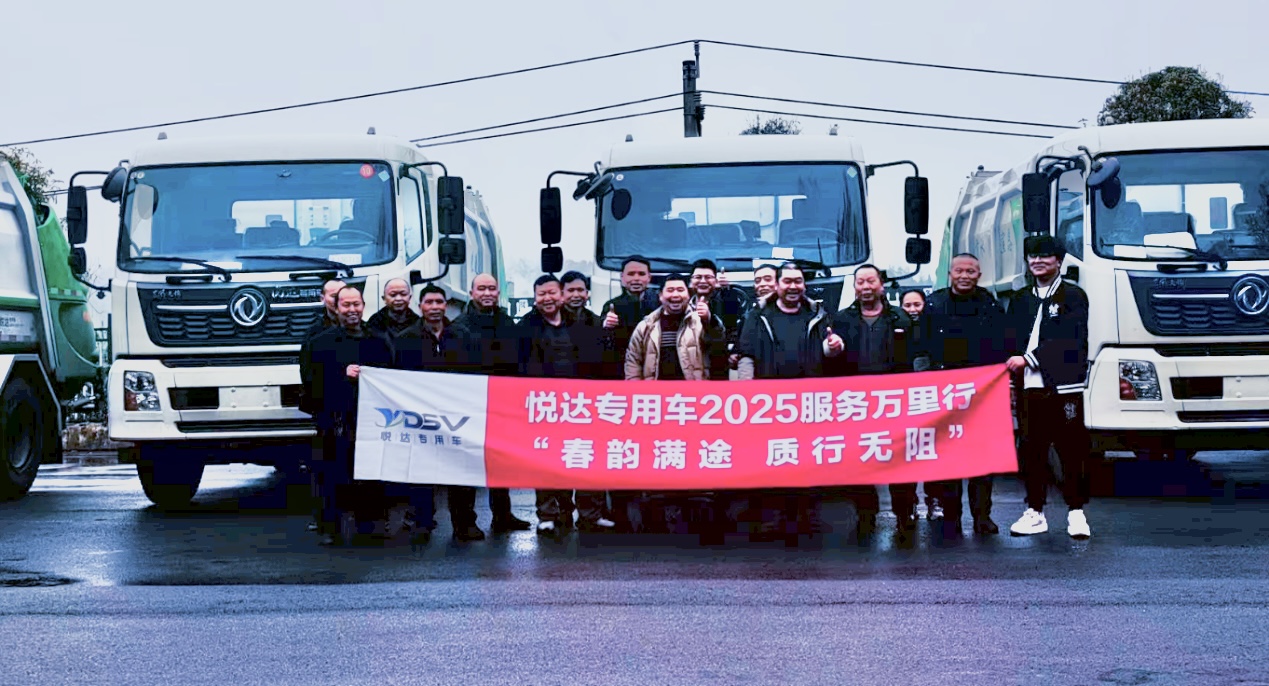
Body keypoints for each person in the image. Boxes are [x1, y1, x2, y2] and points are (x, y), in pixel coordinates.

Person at [624, 273, 729, 538]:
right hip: (657, 407)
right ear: (660, 296)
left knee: (694, 456)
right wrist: (637, 398)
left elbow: (719, 354)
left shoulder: (702, 321)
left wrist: (711, 322)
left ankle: (698, 514)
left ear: (688, 293)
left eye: (680, 290)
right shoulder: (646, 326)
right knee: (662, 455)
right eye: (669, 290)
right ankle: (658, 515)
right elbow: (633, 363)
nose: (675, 295)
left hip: (694, 407)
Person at [1006, 235, 1093, 539]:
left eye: (1045, 256)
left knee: (1071, 448)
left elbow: (1070, 338)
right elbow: (1009, 339)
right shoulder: (1020, 299)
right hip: (1028, 388)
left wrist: (1029, 359)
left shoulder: (1074, 296)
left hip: (1065, 387)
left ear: (1058, 261)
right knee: (1032, 449)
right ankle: (1035, 511)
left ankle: (1077, 512)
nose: (1037, 261)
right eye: (1032, 256)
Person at [737, 262, 832, 541]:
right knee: (771, 461)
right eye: (787, 281)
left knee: (806, 462)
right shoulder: (758, 315)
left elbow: (828, 352)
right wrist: (746, 395)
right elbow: (746, 355)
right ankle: (771, 518)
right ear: (777, 285)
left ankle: (805, 518)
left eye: (798, 281)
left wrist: (833, 349)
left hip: (808, 405)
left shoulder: (817, 314)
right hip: (768, 406)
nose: (793, 287)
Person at [823, 265, 920, 538]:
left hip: (895, 401)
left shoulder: (900, 318)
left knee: (901, 459)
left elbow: (916, 357)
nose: (866, 287)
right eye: (860, 282)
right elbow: (830, 362)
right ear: (855, 287)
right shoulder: (841, 319)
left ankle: (904, 513)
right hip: (856, 402)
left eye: (871, 281)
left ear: (881, 285)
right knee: (861, 459)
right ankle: (866, 513)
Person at [918, 253, 1010, 536]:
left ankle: (983, 516)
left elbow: (1003, 346)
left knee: (982, 457)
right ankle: (952, 516)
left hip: (982, 392)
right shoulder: (934, 304)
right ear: (950, 274)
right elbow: (921, 346)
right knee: (949, 456)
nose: (964, 276)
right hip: (944, 391)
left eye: (971, 271)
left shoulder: (990, 305)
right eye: (959, 271)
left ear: (979, 275)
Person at [517, 274, 614, 535]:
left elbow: (599, 361)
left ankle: (590, 514)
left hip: (582, 405)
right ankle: (550, 514)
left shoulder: (583, 324)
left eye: (552, 293)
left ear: (561, 295)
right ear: (535, 298)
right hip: (545, 406)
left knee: (586, 458)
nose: (547, 298)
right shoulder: (526, 326)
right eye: (541, 294)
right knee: (547, 462)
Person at [299, 286, 394, 546]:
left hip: (371, 420)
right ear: (336, 307)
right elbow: (309, 381)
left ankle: (369, 526)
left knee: (370, 476)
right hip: (334, 421)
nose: (352, 310)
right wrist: (342, 374)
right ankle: (331, 529)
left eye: (356, 304)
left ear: (364, 306)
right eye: (346, 305)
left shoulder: (378, 340)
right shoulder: (320, 342)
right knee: (332, 477)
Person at [448, 273, 533, 540]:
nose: (487, 293)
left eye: (492, 289)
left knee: (500, 462)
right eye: (482, 288)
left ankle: (502, 515)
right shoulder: (459, 327)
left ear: (498, 293)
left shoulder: (507, 323)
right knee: (467, 465)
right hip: (469, 403)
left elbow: (519, 362)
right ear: (471, 293)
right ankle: (464, 522)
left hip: (502, 403)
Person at [388, 284, 465, 544]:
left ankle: (464, 524)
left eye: (439, 302)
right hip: (420, 416)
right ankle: (422, 522)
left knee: (458, 471)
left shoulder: (462, 335)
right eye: (429, 302)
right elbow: (397, 376)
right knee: (421, 471)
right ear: (419, 306)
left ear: (446, 306)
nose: (434, 307)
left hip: (455, 415)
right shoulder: (406, 338)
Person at [899, 288, 941, 521]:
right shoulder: (894, 328)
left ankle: (934, 500)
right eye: (908, 305)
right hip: (903, 402)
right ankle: (910, 503)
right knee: (907, 455)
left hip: (930, 399)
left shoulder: (935, 328)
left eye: (917, 305)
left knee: (932, 452)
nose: (913, 310)